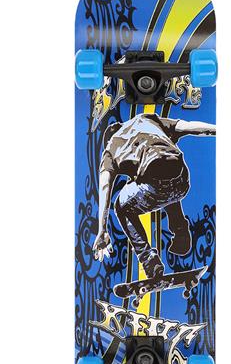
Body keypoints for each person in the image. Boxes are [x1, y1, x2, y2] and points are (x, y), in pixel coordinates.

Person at [92, 114, 215, 278]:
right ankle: (181, 234)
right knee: (160, 177)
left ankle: (149, 260)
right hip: (182, 179)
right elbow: (188, 125)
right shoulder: (146, 120)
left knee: (121, 207)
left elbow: (105, 186)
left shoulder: (111, 147)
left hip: (154, 186)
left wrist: (102, 230)